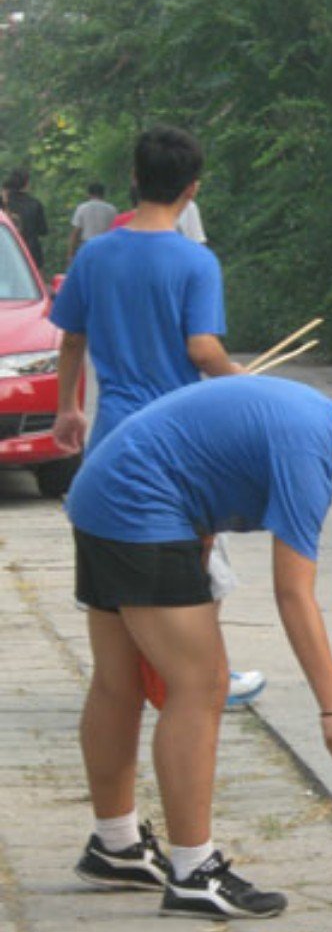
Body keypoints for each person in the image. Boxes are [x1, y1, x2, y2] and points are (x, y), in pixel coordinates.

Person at [66, 374, 332, 919]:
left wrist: (197, 561)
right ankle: (194, 873)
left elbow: (200, 458)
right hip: (140, 506)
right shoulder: (309, 454)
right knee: (202, 687)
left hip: (104, 492)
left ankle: (116, 846)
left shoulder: (307, 419)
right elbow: (294, 595)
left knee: (120, 681)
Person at [51, 125, 264, 707]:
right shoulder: (196, 263)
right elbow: (203, 351)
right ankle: (204, 678)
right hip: (178, 445)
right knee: (200, 569)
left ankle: (132, 684)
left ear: (135, 179)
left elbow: (72, 339)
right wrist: (248, 382)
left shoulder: (95, 256)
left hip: (114, 436)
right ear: (192, 190)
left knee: (111, 581)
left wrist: (67, 409)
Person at [5, 166, 48, 270]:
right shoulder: (35, 204)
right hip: (31, 253)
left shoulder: (5, 204)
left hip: (7, 253)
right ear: (27, 183)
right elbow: (43, 230)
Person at [68, 183, 117, 261]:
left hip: (87, 245)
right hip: (106, 247)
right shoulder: (111, 209)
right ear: (103, 194)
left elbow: (76, 232)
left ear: (89, 194)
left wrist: (71, 254)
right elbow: (115, 231)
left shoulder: (82, 208)